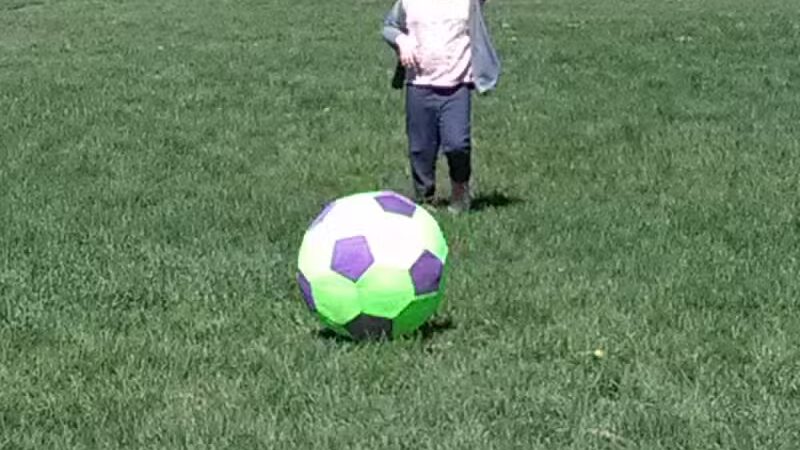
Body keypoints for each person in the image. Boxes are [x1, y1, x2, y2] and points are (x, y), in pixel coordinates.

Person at [382, 0, 501, 213]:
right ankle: (425, 199)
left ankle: (460, 189)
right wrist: (402, 40)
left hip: (456, 86)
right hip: (419, 85)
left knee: (457, 144)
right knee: (421, 149)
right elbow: (389, 26)